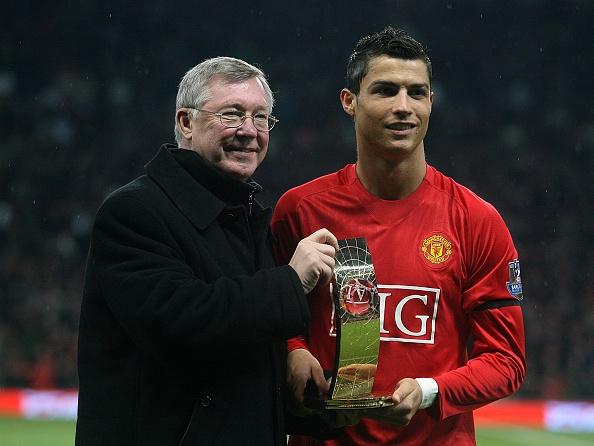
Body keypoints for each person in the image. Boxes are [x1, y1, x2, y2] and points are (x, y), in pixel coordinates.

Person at [271, 27, 526, 445]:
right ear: (349, 101)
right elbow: (268, 317)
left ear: (431, 102)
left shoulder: (477, 221)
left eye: (417, 92)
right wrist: (293, 350)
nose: (404, 107)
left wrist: (429, 391)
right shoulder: (299, 211)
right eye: (386, 91)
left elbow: (506, 361)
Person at [75, 56, 339, 446]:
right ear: (186, 122)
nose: (249, 131)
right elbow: (182, 325)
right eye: (232, 114)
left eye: (261, 117)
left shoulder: (244, 218)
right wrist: (290, 281)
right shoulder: (134, 211)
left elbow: (234, 370)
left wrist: (313, 400)